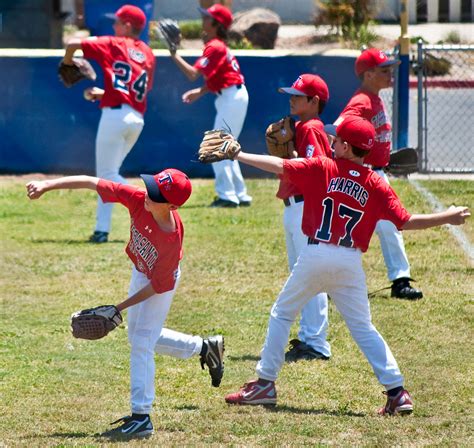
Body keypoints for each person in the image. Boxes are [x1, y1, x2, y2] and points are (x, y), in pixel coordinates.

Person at [222, 116, 469, 414]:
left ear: (347, 147)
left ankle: (264, 383)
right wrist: (448, 216)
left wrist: (237, 154)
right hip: (350, 262)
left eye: (337, 140)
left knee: (282, 313)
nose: (332, 142)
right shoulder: (376, 182)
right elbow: (405, 221)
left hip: (316, 255)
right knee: (363, 327)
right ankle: (397, 391)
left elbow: (280, 166)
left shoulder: (323, 167)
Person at [26, 169, 225, 439]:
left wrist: (118, 307)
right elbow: (92, 181)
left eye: (156, 194)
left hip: (159, 282)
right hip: (141, 271)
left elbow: (158, 286)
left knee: (142, 341)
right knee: (139, 337)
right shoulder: (138, 198)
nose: (148, 194)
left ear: (172, 206)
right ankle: (205, 347)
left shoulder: (171, 239)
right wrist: (46, 185)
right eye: (152, 186)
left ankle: (141, 417)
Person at [287, 48, 424, 363]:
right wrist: (358, 161)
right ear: (367, 74)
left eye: (390, 68)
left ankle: (395, 277)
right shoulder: (361, 102)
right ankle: (396, 280)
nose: (390, 73)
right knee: (387, 226)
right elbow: (341, 128)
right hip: (366, 175)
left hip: (374, 171)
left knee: (389, 228)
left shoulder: (374, 99)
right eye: (384, 69)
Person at [63, 4, 156, 243]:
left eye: (117, 22)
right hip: (136, 119)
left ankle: (152, 199)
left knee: (106, 176)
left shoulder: (114, 43)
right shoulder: (147, 52)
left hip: (115, 118)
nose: (113, 25)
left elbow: (73, 42)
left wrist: (68, 63)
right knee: (108, 175)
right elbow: (135, 91)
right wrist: (104, 93)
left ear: (127, 25)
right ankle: (101, 229)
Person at [167, 3, 252, 207]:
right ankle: (239, 194)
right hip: (233, 95)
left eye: (207, 17)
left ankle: (227, 196)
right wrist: (201, 91)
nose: (203, 20)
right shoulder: (219, 46)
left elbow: (192, 74)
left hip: (232, 98)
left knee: (216, 146)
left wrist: (173, 52)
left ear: (216, 23)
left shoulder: (214, 46)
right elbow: (219, 78)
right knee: (228, 146)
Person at [274, 74, 332, 362]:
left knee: (310, 273)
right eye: (291, 94)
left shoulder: (310, 128)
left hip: (304, 207)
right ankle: (310, 337)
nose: (292, 99)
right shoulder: (306, 127)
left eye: (298, 95)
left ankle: (316, 342)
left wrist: (291, 157)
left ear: (314, 101)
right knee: (302, 273)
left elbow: (316, 169)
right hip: (295, 206)